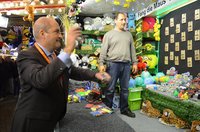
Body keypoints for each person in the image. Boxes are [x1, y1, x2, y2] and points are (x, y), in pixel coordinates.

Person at [11, 17, 111, 132]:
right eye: (57, 32)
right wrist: (68, 49)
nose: (60, 36)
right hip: (32, 123)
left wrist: (95, 76)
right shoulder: (26, 56)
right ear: (43, 34)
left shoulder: (55, 54)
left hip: (51, 119)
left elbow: (72, 71)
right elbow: (40, 79)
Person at [99, 12, 138, 118]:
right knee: (110, 88)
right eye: (121, 19)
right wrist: (101, 63)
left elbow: (132, 50)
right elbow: (103, 50)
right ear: (115, 21)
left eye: (125, 19)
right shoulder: (109, 35)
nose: (124, 22)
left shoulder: (128, 35)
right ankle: (107, 107)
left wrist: (135, 62)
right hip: (112, 64)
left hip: (126, 65)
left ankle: (124, 109)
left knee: (125, 89)